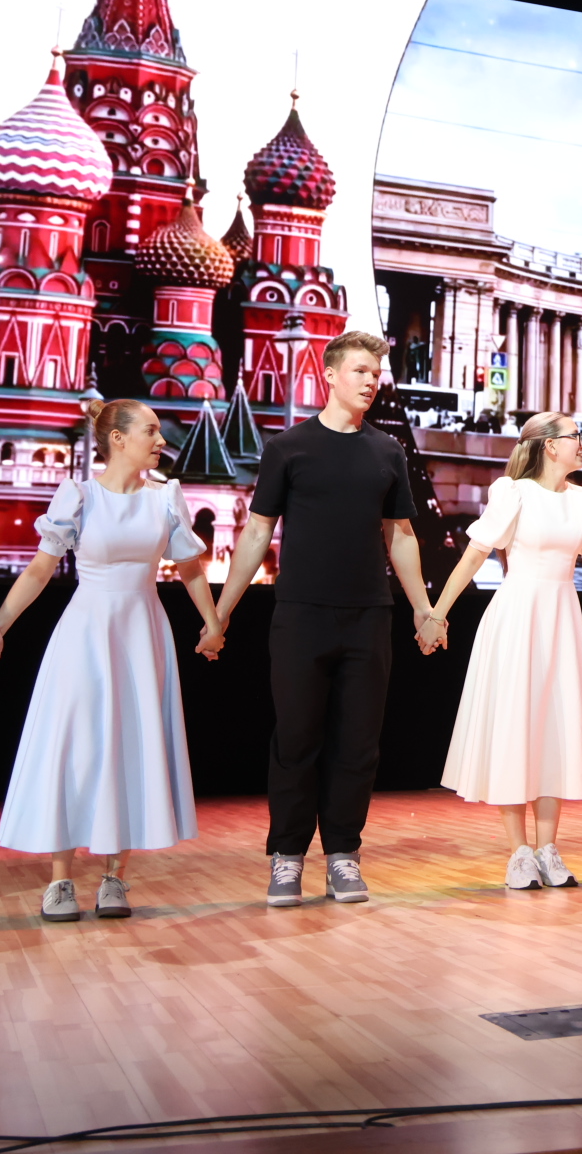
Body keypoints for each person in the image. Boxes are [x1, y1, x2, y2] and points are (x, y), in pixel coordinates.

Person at [0, 401, 225, 921]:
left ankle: (114, 878)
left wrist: (213, 622)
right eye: (151, 431)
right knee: (75, 745)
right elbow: (39, 571)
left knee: (131, 743)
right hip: (85, 635)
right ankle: (60, 881)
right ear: (118, 439)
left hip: (142, 632)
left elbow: (191, 568)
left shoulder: (165, 497)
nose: (161, 441)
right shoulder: (80, 495)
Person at [213, 330, 435, 909]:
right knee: (296, 738)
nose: (371, 381)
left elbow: (401, 536)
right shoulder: (289, 447)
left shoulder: (387, 451)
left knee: (358, 743)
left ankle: (343, 854)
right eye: (360, 370)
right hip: (301, 615)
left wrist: (423, 608)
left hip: (369, 616)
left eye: (376, 373)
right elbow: (257, 532)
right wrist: (222, 612)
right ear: (330, 375)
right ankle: (287, 857)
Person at [431, 412, 582, 888]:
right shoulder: (513, 492)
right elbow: (475, 554)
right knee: (515, 726)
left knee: (554, 729)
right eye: (574, 436)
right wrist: (438, 613)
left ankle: (548, 849)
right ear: (549, 445)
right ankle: (519, 852)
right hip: (518, 616)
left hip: (562, 618)